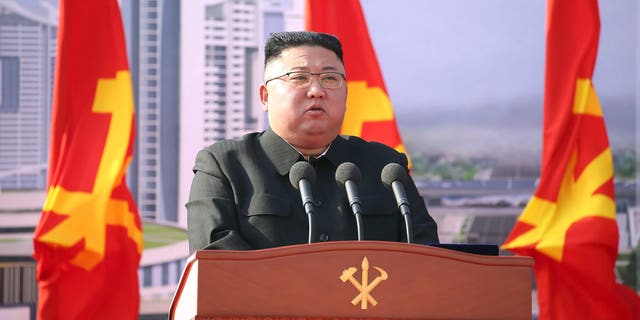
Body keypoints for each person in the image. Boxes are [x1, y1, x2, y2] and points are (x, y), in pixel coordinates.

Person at [186, 31, 439, 254]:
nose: (316, 90)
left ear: (346, 94)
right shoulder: (224, 165)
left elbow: (425, 253)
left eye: (330, 79)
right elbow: (215, 257)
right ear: (265, 97)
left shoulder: (386, 167)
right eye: (299, 77)